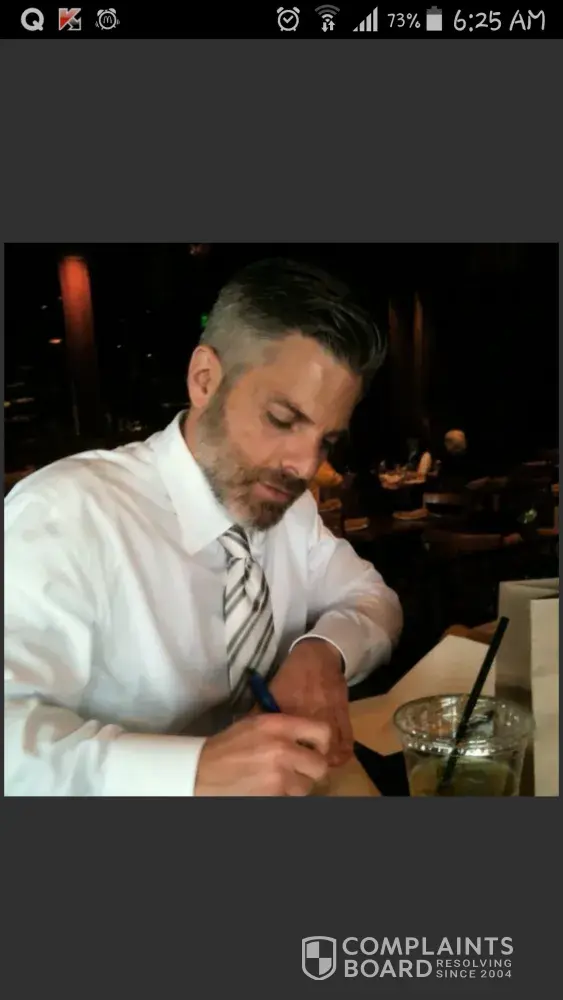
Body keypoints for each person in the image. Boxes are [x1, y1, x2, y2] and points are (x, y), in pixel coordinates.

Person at [5, 257, 403, 797]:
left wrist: (323, 653)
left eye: (326, 441)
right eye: (283, 419)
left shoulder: (290, 510)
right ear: (205, 380)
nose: (305, 465)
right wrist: (193, 772)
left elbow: (374, 599)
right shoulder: (67, 512)